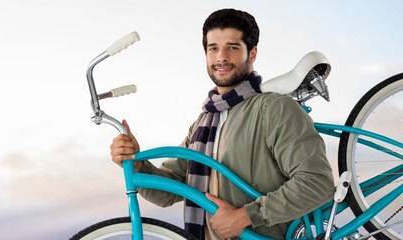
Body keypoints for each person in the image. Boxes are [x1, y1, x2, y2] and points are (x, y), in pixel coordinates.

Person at [110, 8, 335, 239]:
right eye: (213, 48)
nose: (221, 57)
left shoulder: (274, 109)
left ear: (253, 53)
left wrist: (244, 217)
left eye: (233, 47)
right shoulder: (203, 123)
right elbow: (169, 191)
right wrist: (137, 164)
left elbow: (317, 182)